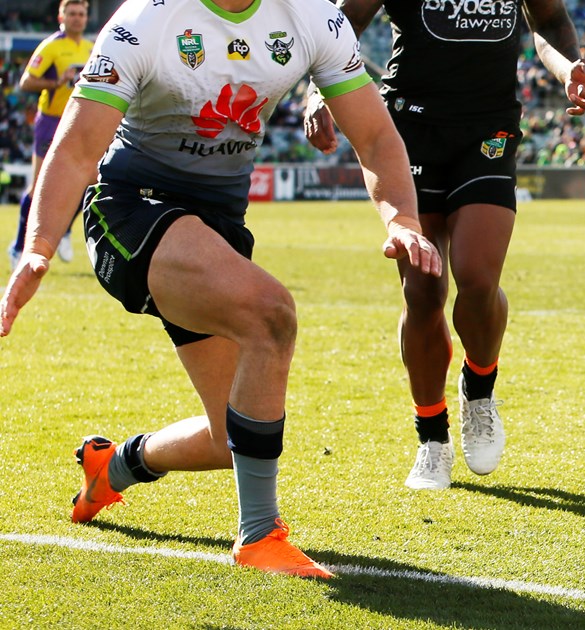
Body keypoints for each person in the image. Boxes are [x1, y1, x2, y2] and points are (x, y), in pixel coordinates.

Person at [0, 0, 440, 578]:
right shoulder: (146, 20)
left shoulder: (312, 17)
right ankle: (259, 537)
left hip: (219, 228)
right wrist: (37, 249)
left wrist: (402, 219)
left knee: (225, 436)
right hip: (131, 211)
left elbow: (377, 137)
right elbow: (79, 145)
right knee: (271, 314)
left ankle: (113, 467)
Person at [303, 0, 585, 491]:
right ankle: (432, 439)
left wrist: (569, 66)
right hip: (409, 130)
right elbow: (340, 23)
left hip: (489, 128)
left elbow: (549, 22)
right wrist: (319, 92)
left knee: (478, 278)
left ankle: (479, 390)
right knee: (423, 290)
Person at [8, 0, 89, 268]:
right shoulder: (51, 46)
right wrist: (57, 81)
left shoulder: (91, 48)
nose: (77, 19)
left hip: (79, 122)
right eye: (72, 14)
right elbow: (26, 82)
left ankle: (65, 231)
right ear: (61, 17)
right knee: (39, 186)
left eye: (82, 14)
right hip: (51, 121)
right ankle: (19, 247)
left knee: (89, 182)